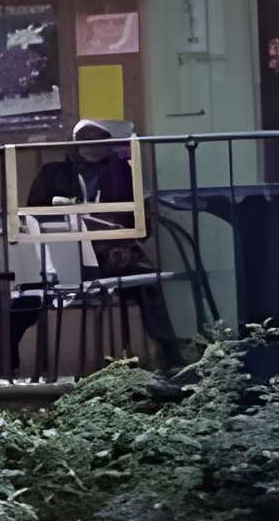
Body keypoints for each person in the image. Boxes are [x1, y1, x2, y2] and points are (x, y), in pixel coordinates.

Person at [11, 120, 181, 371]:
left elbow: (142, 223)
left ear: (109, 144)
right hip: (62, 257)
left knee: (148, 284)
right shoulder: (53, 173)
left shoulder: (124, 172)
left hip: (111, 257)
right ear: (74, 143)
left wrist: (120, 241)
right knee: (28, 292)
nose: (91, 145)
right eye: (85, 138)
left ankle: (172, 357)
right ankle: (8, 360)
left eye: (98, 138)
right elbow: (33, 219)